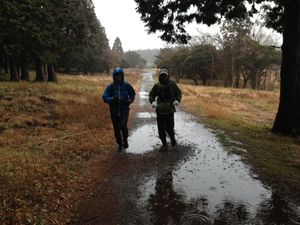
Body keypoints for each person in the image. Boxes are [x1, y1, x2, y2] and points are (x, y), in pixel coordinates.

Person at [103, 67, 136, 152]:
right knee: (116, 129)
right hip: (114, 111)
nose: (119, 77)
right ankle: (120, 144)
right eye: (117, 75)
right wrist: (112, 99)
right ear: (114, 76)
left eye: (120, 75)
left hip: (124, 110)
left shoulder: (127, 85)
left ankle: (125, 139)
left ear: (122, 76)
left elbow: (133, 94)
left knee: (123, 126)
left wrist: (130, 100)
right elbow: (104, 97)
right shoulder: (110, 86)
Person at [149, 68, 182, 150]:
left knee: (170, 127)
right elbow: (151, 95)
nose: (163, 77)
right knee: (161, 128)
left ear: (167, 76)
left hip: (170, 109)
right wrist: (152, 102)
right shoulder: (157, 86)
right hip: (160, 110)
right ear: (159, 76)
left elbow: (179, 93)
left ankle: (172, 138)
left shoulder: (172, 84)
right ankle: (164, 144)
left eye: (165, 75)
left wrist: (177, 100)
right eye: (162, 75)